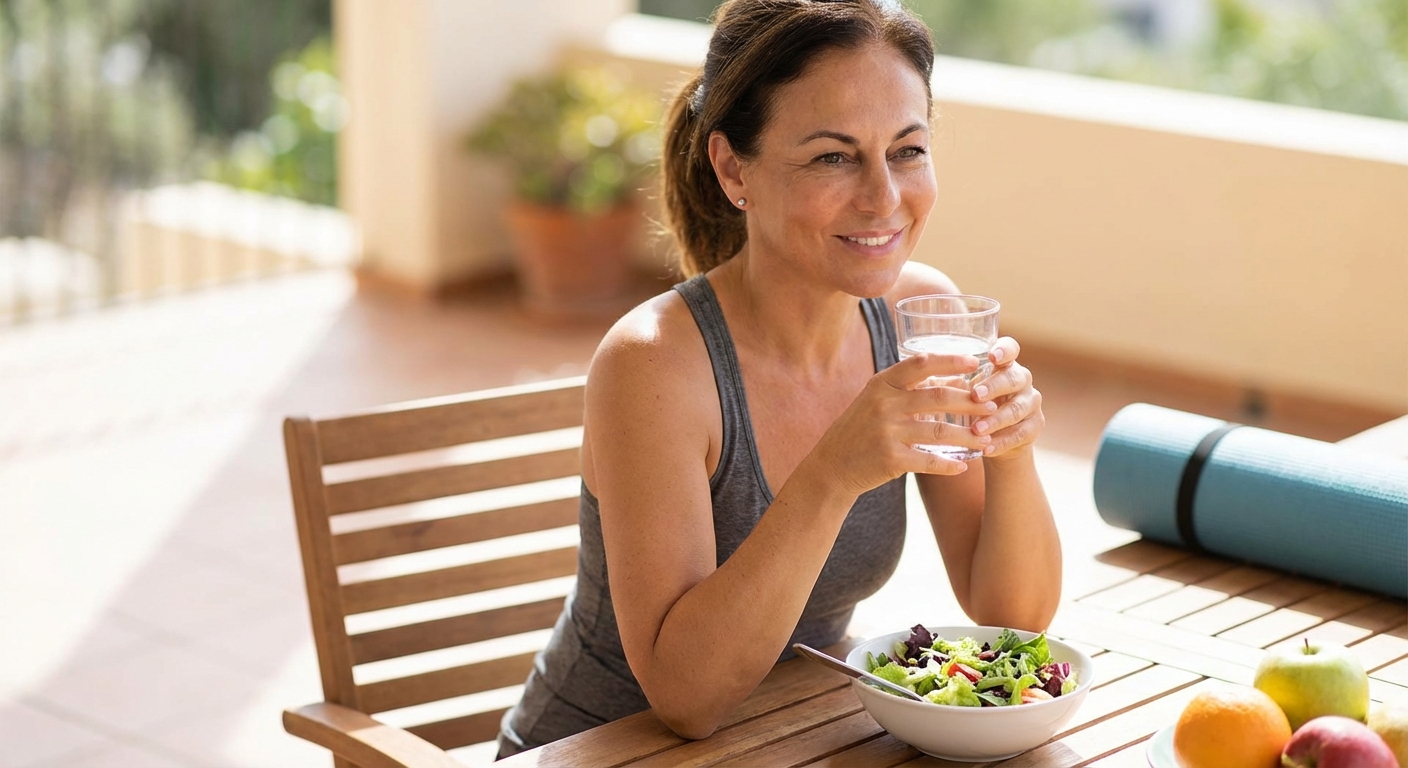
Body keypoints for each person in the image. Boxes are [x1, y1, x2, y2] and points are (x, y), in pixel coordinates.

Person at [496, 0, 1061, 757]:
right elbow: (686, 700)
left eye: (907, 150)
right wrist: (834, 471)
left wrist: (1012, 450)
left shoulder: (916, 316)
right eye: (833, 156)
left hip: (788, 741)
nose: (883, 198)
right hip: (601, 751)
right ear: (734, 168)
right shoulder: (656, 363)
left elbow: (1012, 620)